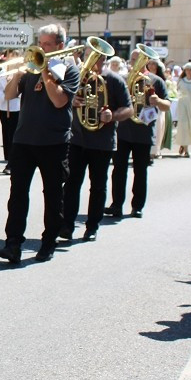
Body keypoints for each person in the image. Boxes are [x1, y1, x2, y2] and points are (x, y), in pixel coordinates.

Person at [0, 25, 80, 264]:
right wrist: (16, 73)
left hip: (54, 141)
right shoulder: (31, 69)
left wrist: (46, 72)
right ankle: (13, 243)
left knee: (53, 195)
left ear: (59, 47)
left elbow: (58, 101)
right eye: (40, 43)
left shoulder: (69, 69)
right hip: (24, 140)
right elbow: (9, 96)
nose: (42, 48)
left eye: (47, 45)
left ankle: (48, 242)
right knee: (17, 194)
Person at [60, 42, 132, 243]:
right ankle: (66, 225)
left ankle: (92, 226)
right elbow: (62, 99)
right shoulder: (77, 76)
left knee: (98, 186)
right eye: (90, 56)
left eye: (97, 57)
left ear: (103, 59)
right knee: (72, 184)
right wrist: (72, 100)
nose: (93, 61)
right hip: (76, 139)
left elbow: (129, 109)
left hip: (102, 142)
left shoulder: (115, 80)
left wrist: (112, 115)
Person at [107, 54, 171, 220]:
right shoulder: (123, 78)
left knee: (140, 171)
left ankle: (137, 206)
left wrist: (157, 101)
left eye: (139, 59)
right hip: (122, 131)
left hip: (143, 132)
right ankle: (116, 205)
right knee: (118, 170)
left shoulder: (156, 81)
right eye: (133, 59)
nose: (135, 62)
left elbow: (167, 105)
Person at [0, 48, 21, 174]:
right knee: (7, 135)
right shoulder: (3, 72)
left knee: (15, 136)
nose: (13, 58)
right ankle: (9, 160)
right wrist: (5, 94)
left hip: (18, 108)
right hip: (5, 108)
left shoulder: (21, 72)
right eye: (11, 56)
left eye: (16, 56)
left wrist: (13, 89)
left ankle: (14, 162)